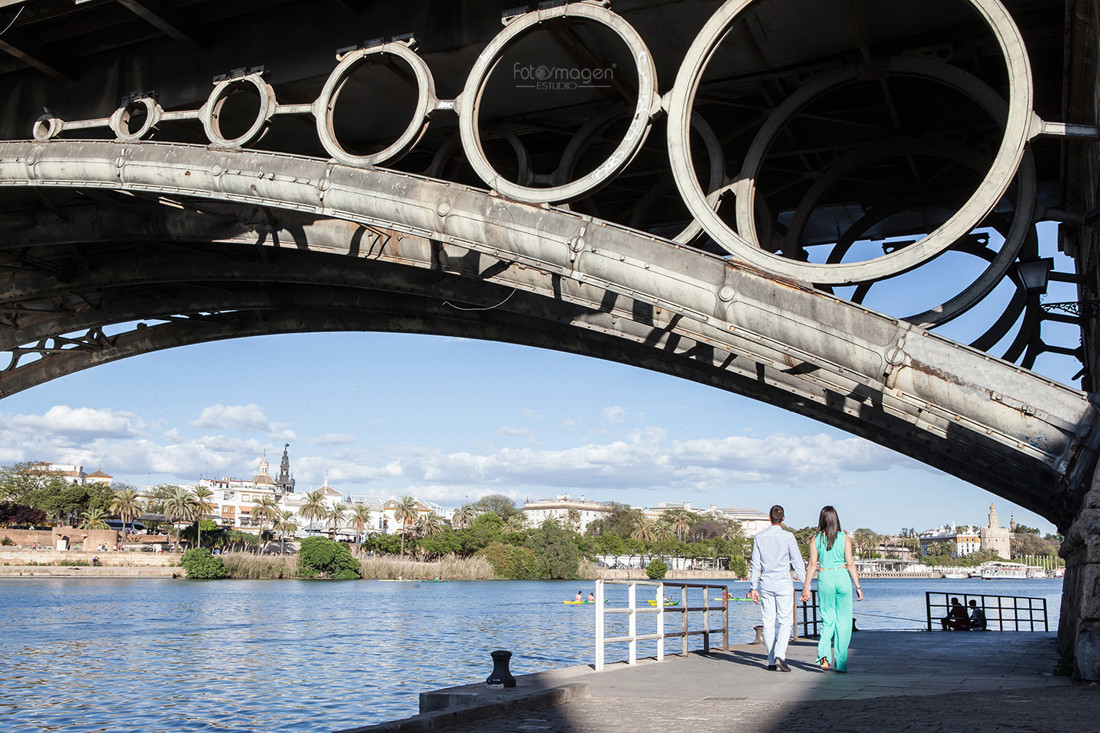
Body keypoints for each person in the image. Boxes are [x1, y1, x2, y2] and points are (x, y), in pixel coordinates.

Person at [801, 506, 863, 672]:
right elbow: (850, 563)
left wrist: (806, 587)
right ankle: (841, 663)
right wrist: (858, 586)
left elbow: (812, 564)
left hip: (825, 578)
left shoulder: (815, 540)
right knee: (843, 622)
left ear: (821, 519)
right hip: (842, 577)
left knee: (827, 620)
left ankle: (823, 659)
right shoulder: (844, 538)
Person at [748, 505, 806, 672]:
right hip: (783, 583)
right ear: (783, 518)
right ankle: (780, 654)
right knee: (785, 620)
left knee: (768, 621)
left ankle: (771, 659)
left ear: (769, 517)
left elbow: (755, 564)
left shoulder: (759, 537)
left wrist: (753, 587)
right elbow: (797, 562)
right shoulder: (788, 537)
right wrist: (804, 584)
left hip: (765, 583)